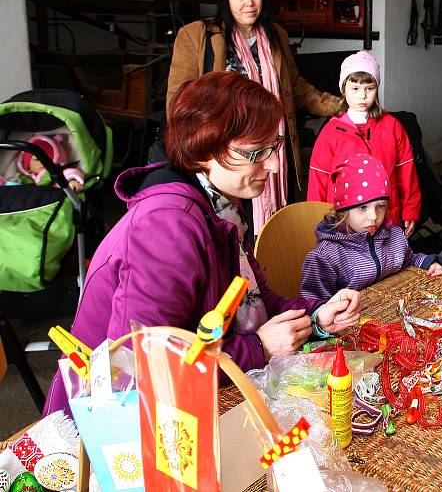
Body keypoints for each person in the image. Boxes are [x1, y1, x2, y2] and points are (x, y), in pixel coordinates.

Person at [43, 72, 361, 417]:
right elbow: (144, 363)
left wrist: (316, 315)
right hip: (107, 428)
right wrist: (258, 348)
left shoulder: (220, 204)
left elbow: (254, 299)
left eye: (274, 147)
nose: (271, 164)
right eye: (257, 152)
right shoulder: (167, 225)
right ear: (204, 151)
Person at [167, 0, 339, 232]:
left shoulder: (276, 35)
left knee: (275, 229)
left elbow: (295, 87)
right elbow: (179, 100)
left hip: (273, 146)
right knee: (229, 225)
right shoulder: (197, 35)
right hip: (228, 153)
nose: (249, 3)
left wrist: (339, 106)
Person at [306, 50, 421, 237]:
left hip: (387, 217)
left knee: (388, 262)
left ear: (377, 88)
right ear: (343, 89)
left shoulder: (392, 126)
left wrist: (410, 211)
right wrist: (316, 218)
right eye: (355, 89)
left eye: (369, 88)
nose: (362, 96)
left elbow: (407, 172)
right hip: (343, 222)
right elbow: (318, 179)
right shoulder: (330, 132)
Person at [300, 153, 442, 300]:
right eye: (363, 207)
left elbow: (408, 261)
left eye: (380, 206)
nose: (374, 217)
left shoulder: (394, 236)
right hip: (352, 320)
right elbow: (313, 304)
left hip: (396, 312)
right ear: (343, 210)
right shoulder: (325, 256)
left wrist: (427, 263)